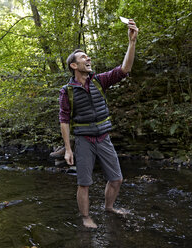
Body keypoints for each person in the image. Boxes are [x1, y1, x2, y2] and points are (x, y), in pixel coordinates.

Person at [59, 19, 138, 228]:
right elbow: (64, 120)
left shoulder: (99, 80)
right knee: (84, 183)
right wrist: (68, 149)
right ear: (74, 65)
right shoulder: (66, 91)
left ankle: (109, 208)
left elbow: (124, 69)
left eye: (88, 55)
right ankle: (85, 217)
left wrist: (132, 42)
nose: (88, 58)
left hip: (104, 138)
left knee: (117, 179)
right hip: (83, 141)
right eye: (84, 57)